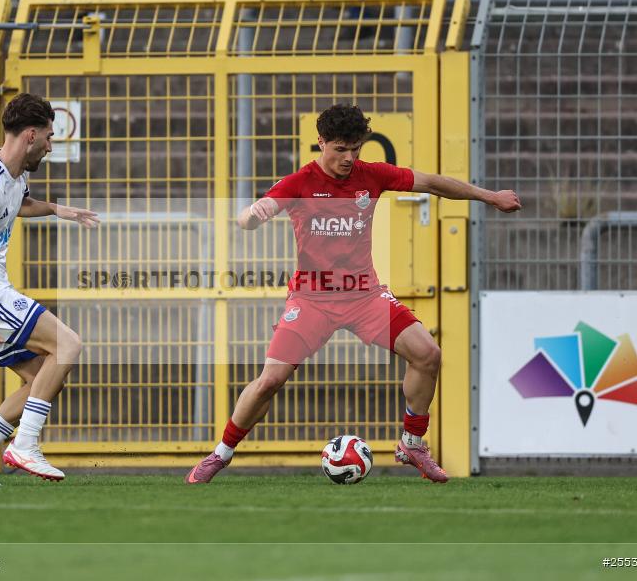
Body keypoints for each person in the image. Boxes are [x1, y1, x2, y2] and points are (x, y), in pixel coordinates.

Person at [186, 104, 520, 484]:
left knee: (428, 354)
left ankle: (412, 443)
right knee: (270, 380)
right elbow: (251, 216)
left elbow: (431, 182)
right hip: (312, 300)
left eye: (355, 149)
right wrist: (252, 215)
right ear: (321, 142)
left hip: (364, 296)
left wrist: (489, 196)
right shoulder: (299, 183)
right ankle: (220, 454)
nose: (349, 158)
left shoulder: (371, 176)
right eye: (340, 149)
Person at [0, 93, 100, 485]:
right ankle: (24, 446)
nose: (50, 145)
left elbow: (18, 204)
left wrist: (56, 209)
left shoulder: (13, 173)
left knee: (42, 381)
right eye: (49, 137)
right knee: (68, 344)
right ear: (31, 135)